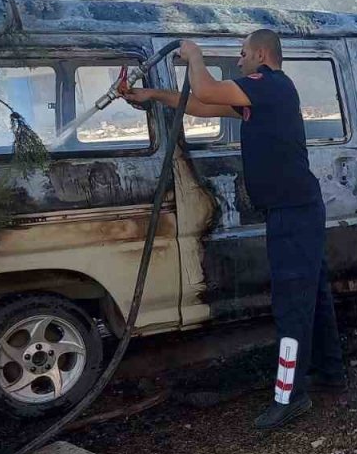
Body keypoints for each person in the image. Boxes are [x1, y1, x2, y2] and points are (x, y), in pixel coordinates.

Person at [120, 30, 345, 429]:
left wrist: (194, 54)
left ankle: (290, 396)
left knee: (291, 305)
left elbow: (205, 86)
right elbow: (200, 104)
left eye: (242, 55)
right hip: (295, 211)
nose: (239, 61)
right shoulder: (260, 97)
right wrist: (151, 96)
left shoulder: (270, 85)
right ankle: (330, 371)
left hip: (293, 213)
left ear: (261, 54)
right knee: (312, 292)